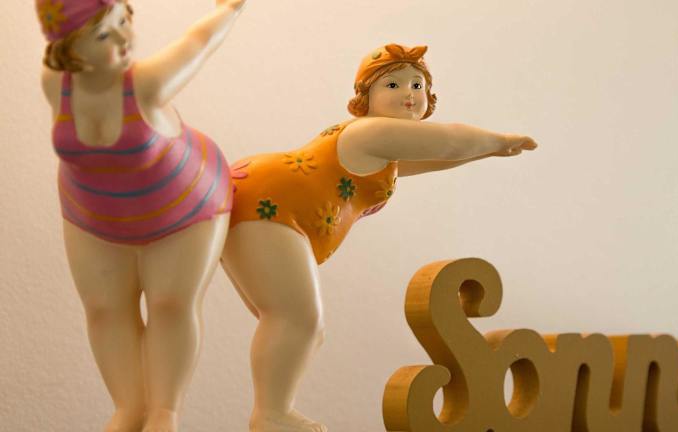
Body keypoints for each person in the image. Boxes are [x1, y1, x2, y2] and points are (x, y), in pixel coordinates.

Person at [222, 43, 538, 432]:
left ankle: (272, 412)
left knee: (298, 326)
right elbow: (450, 140)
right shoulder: (371, 131)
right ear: (366, 97)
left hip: (268, 204)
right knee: (298, 321)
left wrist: (487, 153)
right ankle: (271, 414)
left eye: (418, 85)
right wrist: (499, 139)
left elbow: (436, 157)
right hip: (268, 203)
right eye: (392, 84)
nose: (409, 94)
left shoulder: (383, 151)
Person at [36, 0, 247, 430]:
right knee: (104, 310)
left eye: (123, 21)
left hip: (183, 203)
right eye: (102, 34)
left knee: (170, 304)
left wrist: (230, 8)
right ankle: (129, 408)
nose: (123, 38)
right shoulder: (54, 82)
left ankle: (164, 412)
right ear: (68, 49)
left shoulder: (147, 82)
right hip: (92, 213)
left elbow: (198, 42)